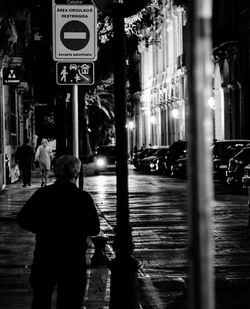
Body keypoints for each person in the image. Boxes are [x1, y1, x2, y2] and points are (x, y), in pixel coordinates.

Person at [17, 155, 100, 309]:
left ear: (56, 172)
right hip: (73, 259)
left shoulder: (43, 194)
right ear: (76, 173)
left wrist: (42, 228)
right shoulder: (83, 198)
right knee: (70, 302)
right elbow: (94, 228)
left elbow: (22, 218)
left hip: (45, 255)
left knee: (41, 300)